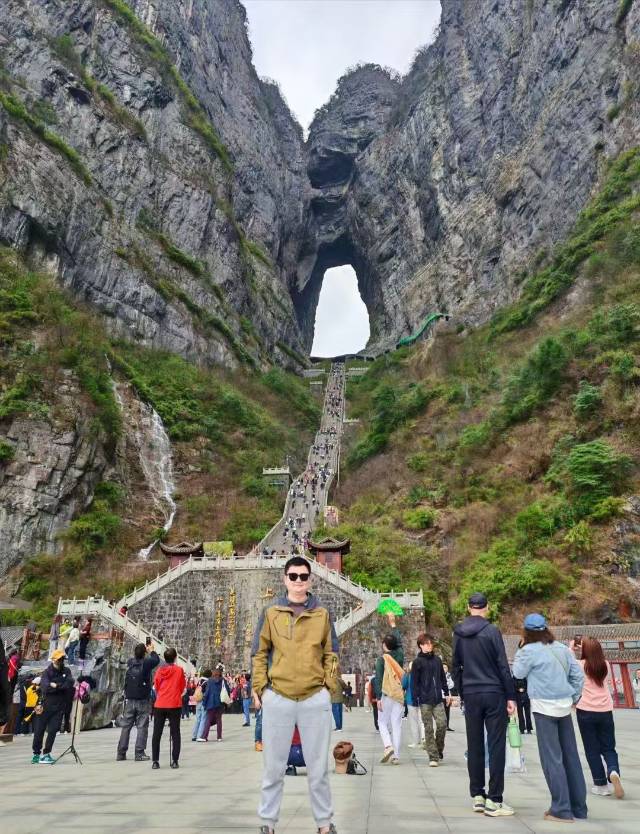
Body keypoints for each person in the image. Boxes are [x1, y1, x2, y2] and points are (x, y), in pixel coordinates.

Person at [252, 555, 339, 834]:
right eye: (293, 576)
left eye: (303, 576)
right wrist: (261, 689)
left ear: (310, 580)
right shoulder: (271, 612)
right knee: (273, 767)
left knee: (318, 768)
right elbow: (259, 652)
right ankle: (268, 823)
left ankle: (324, 823)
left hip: (314, 697)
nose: (298, 581)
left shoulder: (322, 614)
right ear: (285, 579)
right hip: (279, 696)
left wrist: (328, 688)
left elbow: (332, 653)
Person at [513, 613, 587, 822]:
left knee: (552, 759)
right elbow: (578, 676)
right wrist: (573, 697)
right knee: (571, 756)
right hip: (564, 706)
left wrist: (521, 648)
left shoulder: (528, 651)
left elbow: (518, 673)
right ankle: (579, 808)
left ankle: (561, 809)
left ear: (526, 632)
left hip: (544, 708)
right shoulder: (562, 649)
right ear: (546, 629)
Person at [452, 592, 516, 817]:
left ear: (468, 607)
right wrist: (511, 696)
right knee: (496, 745)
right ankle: (495, 799)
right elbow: (502, 665)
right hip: (494, 692)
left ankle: (478, 795)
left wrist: (463, 692)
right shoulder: (492, 631)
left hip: (471, 693)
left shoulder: (458, 633)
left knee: (475, 745)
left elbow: (455, 666)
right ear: (486, 607)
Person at [575, 636, 624, 799]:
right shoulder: (606, 665)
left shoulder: (580, 665)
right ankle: (613, 770)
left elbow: (567, 662)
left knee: (592, 749)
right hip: (605, 710)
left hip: (586, 710)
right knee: (609, 747)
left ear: (584, 650)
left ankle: (601, 785)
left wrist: (572, 648)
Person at [117, 641, 160, 761]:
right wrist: (152, 650)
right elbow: (156, 660)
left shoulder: (130, 663)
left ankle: (121, 753)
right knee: (142, 726)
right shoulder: (146, 663)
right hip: (142, 699)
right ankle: (139, 753)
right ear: (144, 653)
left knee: (126, 726)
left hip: (130, 699)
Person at [411, 633, 450, 766]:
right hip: (424, 700)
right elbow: (414, 682)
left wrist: (447, 693)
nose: (429, 646)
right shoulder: (417, 662)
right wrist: (415, 699)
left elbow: (442, 678)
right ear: (421, 646)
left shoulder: (437, 660)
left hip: (438, 699)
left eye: (430, 643)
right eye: (426, 644)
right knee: (428, 728)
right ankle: (433, 757)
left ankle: (438, 749)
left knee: (442, 724)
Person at [31, 649, 74, 764]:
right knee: (39, 730)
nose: (61, 661)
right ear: (54, 660)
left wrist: (56, 685)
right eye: (59, 659)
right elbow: (45, 687)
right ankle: (36, 754)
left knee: (53, 730)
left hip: (59, 706)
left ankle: (46, 753)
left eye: (62, 659)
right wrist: (57, 686)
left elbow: (69, 684)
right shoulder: (47, 672)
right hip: (45, 705)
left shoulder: (67, 671)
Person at [374, 613, 405, 765]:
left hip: (386, 694)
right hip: (398, 694)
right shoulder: (400, 655)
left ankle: (388, 746)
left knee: (382, 722)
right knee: (396, 724)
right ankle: (396, 756)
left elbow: (378, 679)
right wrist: (393, 624)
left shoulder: (382, 660)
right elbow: (399, 643)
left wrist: (378, 697)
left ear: (384, 645)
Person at [151, 648, 186, 770]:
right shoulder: (179, 670)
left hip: (160, 704)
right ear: (175, 658)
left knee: (157, 733)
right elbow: (182, 686)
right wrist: (175, 693)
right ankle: (175, 760)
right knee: (175, 733)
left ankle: (155, 761)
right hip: (174, 704)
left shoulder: (159, 671)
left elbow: (156, 686)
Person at [196, 668, 230, 741]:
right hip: (220, 702)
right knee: (219, 719)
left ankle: (204, 736)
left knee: (208, 719)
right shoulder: (223, 680)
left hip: (211, 702)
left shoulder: (210, 681)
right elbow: (227, 690)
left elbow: (207, 692)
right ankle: (219, 737)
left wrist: (204, 703)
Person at [403, 662, 424, 749]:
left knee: (414, 722)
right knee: (422, 721)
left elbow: (403, 685)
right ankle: (424, 740)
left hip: (411, 700)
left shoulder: (407, 675)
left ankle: (416, 741)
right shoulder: (423, 674)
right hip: (422, 700)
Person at [192, 669, 211, 741]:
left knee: (197, 719)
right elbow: (206, 693)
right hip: (203, 701)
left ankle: (194, 735)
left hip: (198, 701)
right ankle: (200, 736)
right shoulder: (207, 682)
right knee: (203, 718)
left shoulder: (199, 681)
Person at [442, 663, 455, 730]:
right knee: (442, 712)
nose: (444, 669)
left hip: (448, 696)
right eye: (443, 667)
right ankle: (442, 726)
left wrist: (447, 683)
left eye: (445, 667)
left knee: (447, 711)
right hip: (441, 695)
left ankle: (447, 726)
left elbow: (452, 685)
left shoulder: (449, 675)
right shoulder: (438, 675)